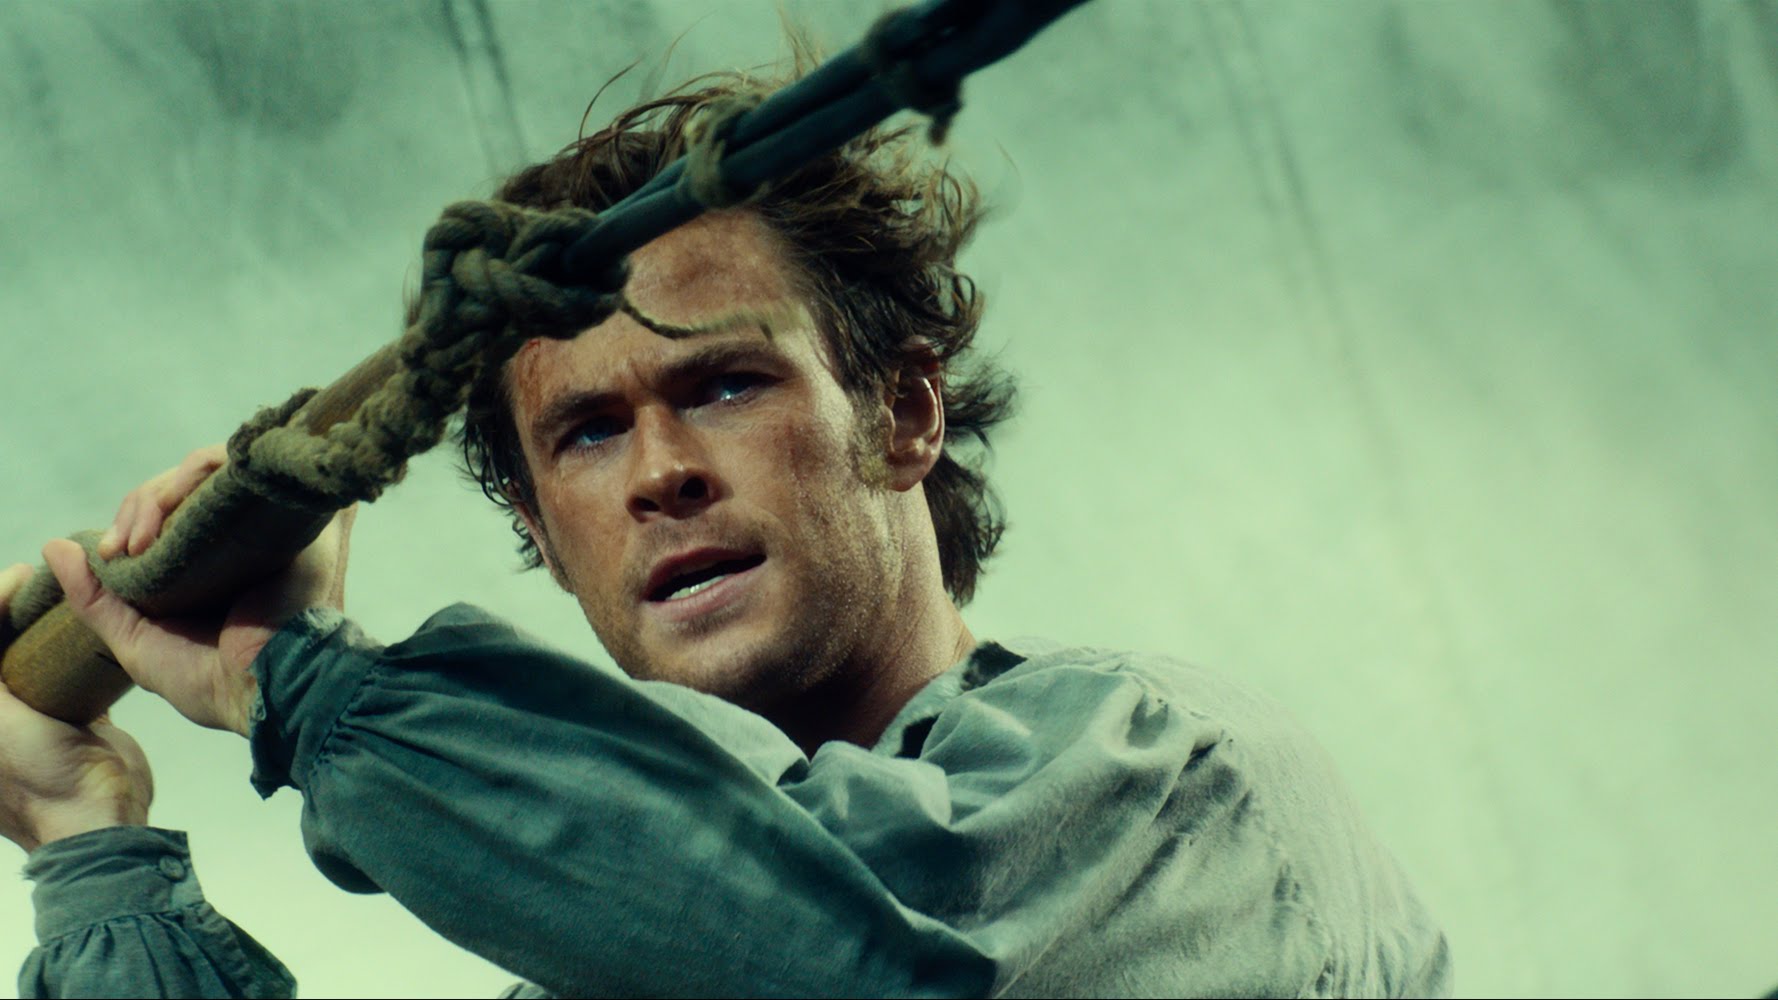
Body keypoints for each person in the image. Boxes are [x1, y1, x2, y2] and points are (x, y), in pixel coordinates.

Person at [0, 68, 1452, 997]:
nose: (660, 472)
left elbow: (843, 949)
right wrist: (89, 844)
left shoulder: (1167, 782)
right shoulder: (598, 948)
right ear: (540, 531)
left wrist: (303, 680)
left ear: (902, 414)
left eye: (724, 385)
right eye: (585, 431)